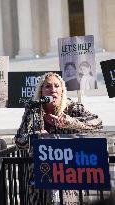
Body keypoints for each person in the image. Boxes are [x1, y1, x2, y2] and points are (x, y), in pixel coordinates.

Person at [15, 72, 102, 205]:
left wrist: (70, 122)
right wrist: (36, 136)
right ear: (41, 92)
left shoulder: (72, 108)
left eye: (57, 86)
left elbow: (98, 123)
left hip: (69, 174)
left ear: (62, 91)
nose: (53, 89)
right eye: (48, 86)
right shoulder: (33, 109)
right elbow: (19, 140)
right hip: (41, 176)